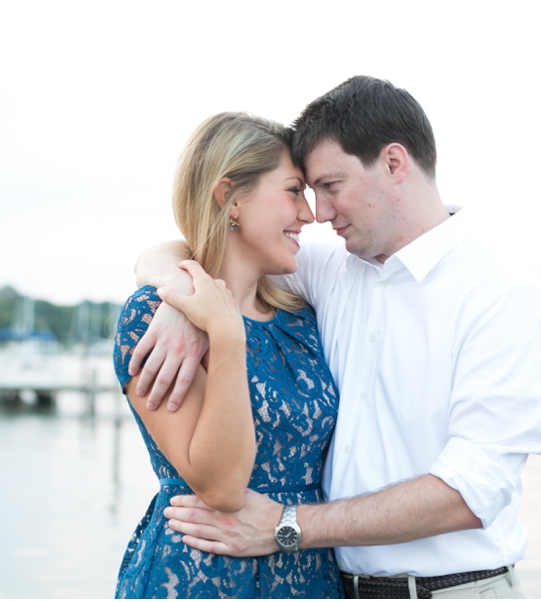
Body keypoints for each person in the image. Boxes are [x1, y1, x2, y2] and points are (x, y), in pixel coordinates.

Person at [130, 76, 541, 599]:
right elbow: (210, 245)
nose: (319, 212)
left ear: (393, 163)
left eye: (331, 186)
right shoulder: (327, 268)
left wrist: (287, 525)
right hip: (330, 587)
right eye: (308, 191)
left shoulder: (501, 300)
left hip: (453, 591)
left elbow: (470, 494)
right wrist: (184, 296)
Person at [112, 112, 344, 598]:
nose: (309, 213)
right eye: (292, 190)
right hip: (201, 576)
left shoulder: (302, 318)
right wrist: (225, 332)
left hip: (308, 575)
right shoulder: (150, 317)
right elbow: (221, 488)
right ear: (230, 197)